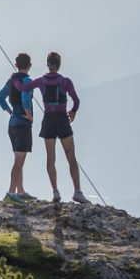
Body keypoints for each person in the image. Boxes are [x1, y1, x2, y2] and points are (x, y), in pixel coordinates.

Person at [12, 51, 87, 205]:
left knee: (50, 157)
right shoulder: (66, 82)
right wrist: (72, 112)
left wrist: (14, 78)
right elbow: (76, 100)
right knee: (70, 157)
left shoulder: (41, 81)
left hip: (48, 121)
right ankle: (78, 192)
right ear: (59, 65)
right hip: (62, 120)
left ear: (47, 64)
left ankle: (55, 191)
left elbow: (23, 88)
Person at [0, 52, 37, 204]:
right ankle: (11, 193)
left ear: (16, 65)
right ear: (30, 65)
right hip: (23, 124)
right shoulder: (27, 80)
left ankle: (20, 191)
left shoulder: (11, 80)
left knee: (18, 158)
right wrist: (29, 115)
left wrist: (10, 111)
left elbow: (0, 97)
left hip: (12, 123)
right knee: (19, 161)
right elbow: (26, 98)